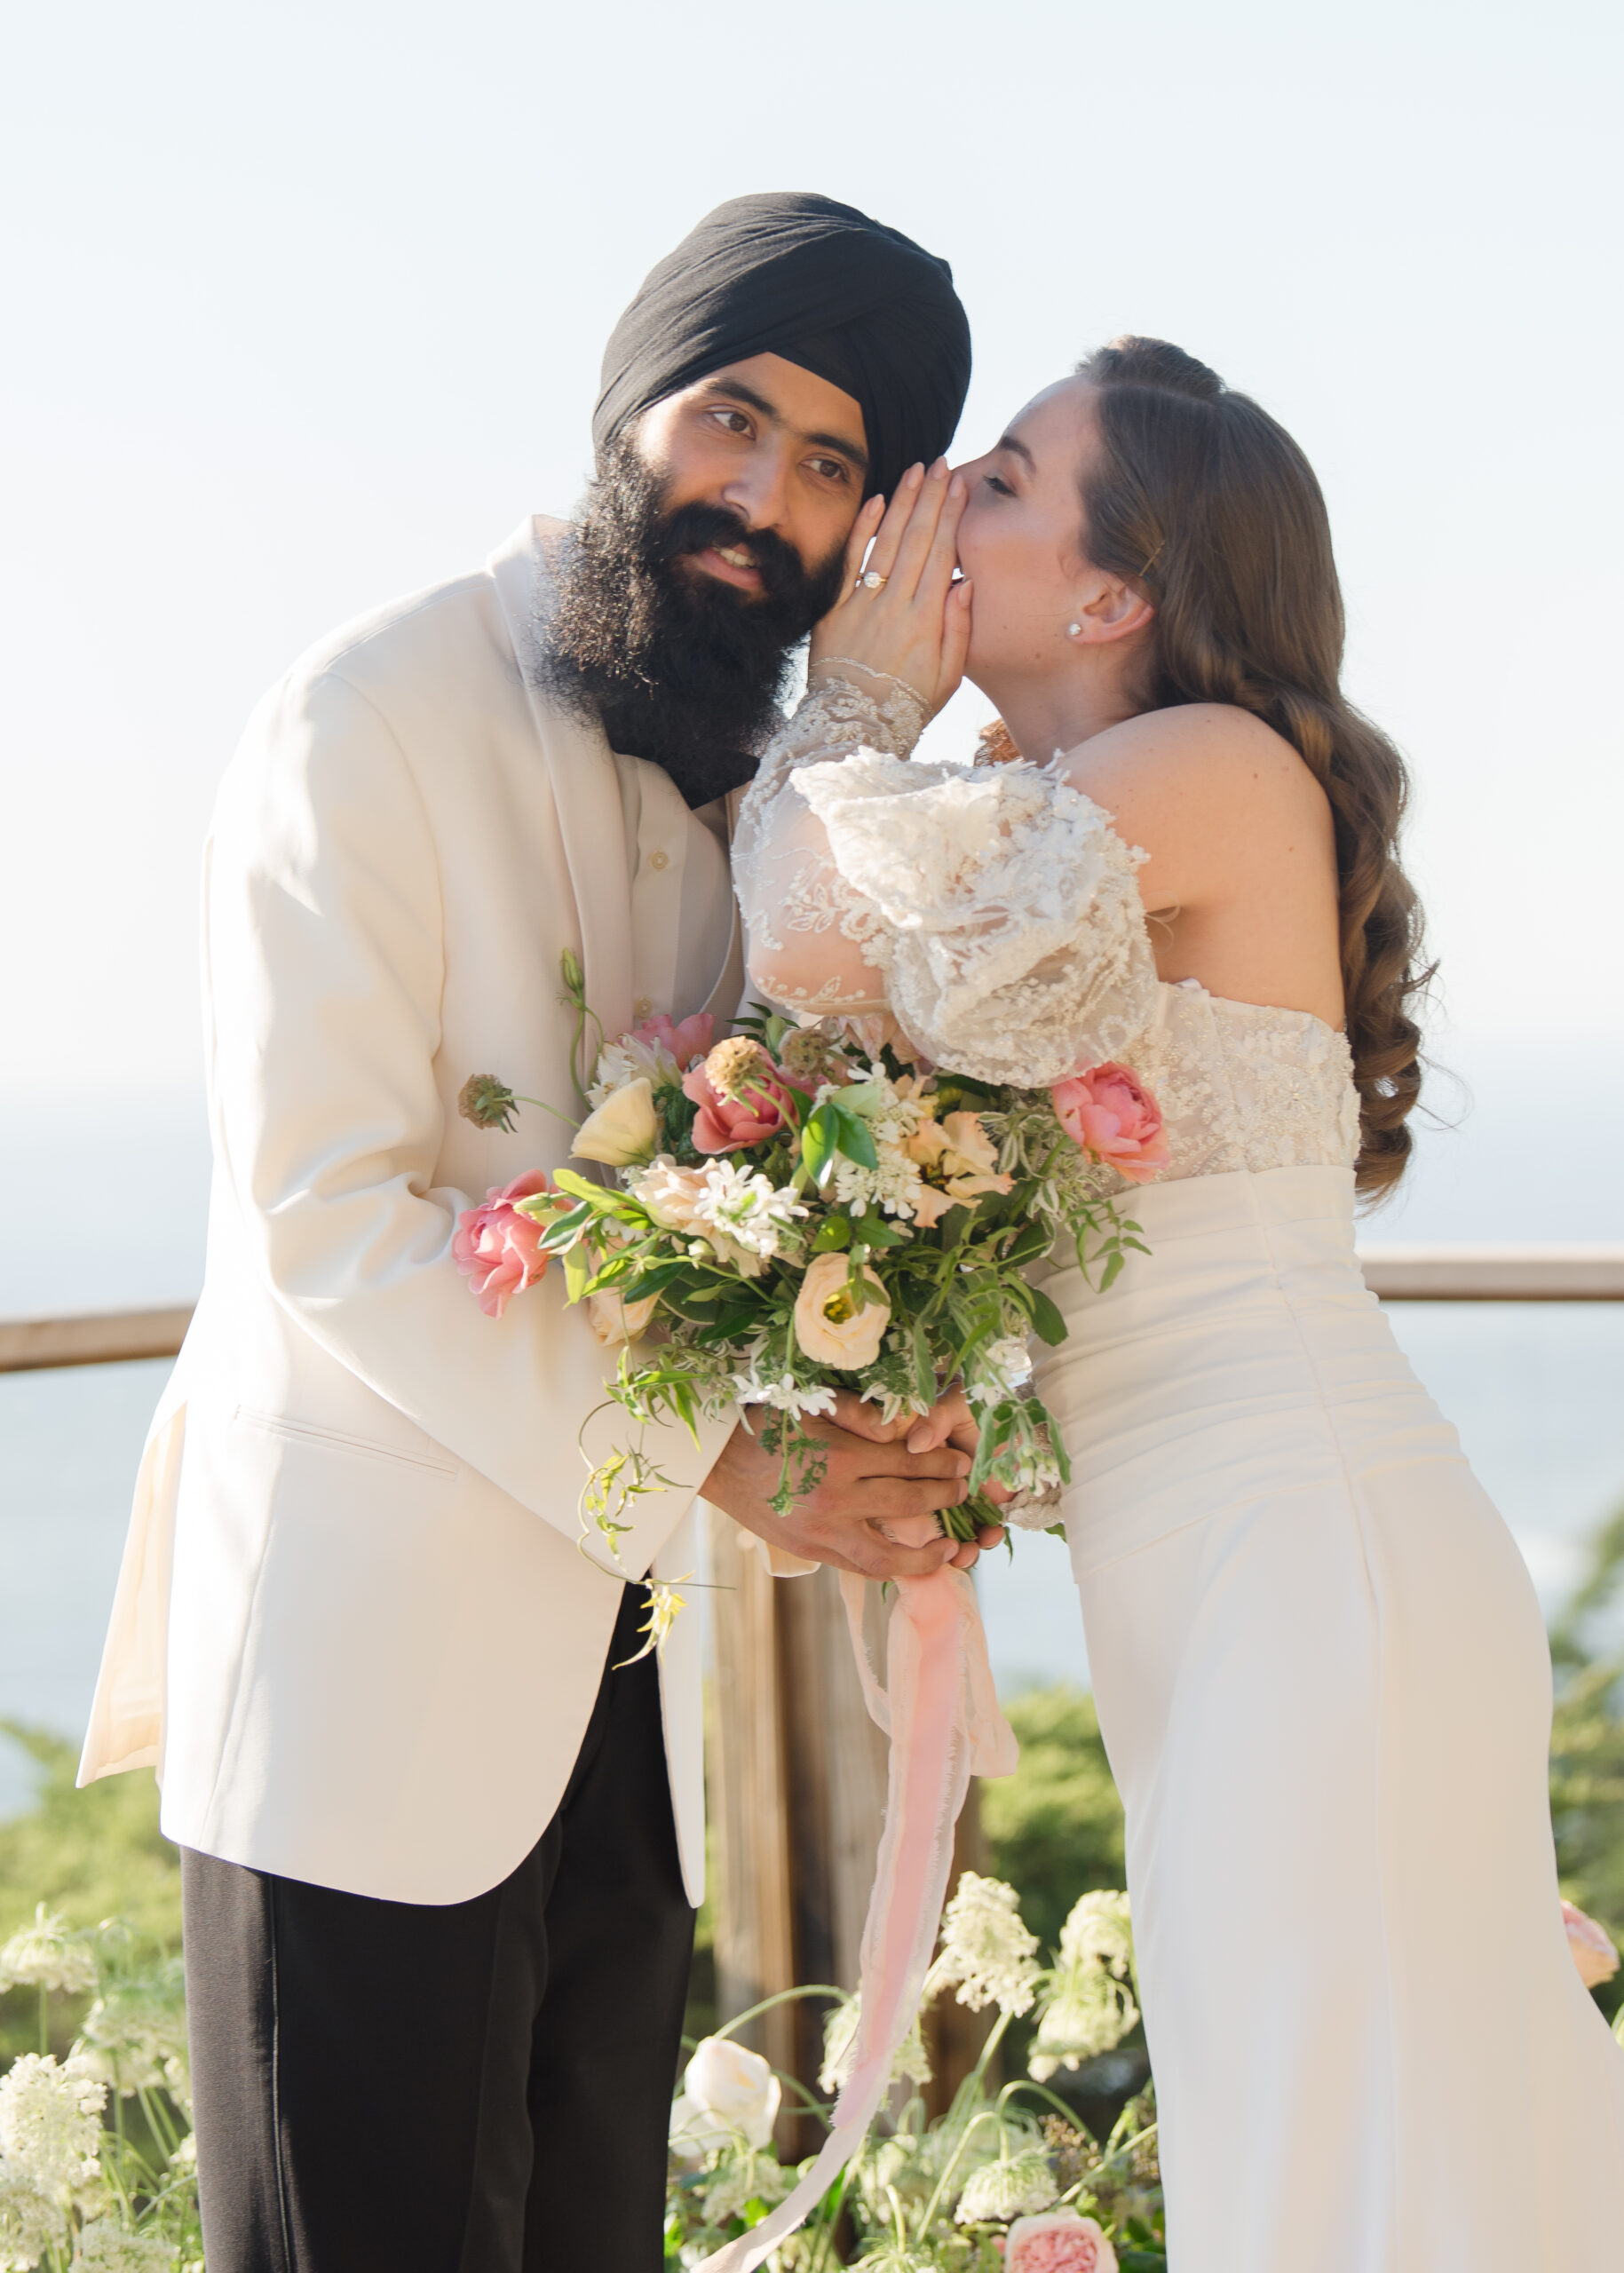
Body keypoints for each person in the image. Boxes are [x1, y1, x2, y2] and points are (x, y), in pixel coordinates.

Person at [76, 193, 998, 2273]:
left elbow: (764, 1166)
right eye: (734, 417)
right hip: (357, 1721)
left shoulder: (729, 789)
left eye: (836, 465)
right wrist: (744, 1462)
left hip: (601, 1721)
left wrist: (870, 1429)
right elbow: (329, 1219)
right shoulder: (363, 714)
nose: (761, 497)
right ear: (629, 401)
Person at [733, 337, 1624, 2270]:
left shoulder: (1210, 773)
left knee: (1346, 2162)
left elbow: (806, 923)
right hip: (1215, 1566)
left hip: (1306, 1554)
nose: (942, 485)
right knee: (1304, 2146)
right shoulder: (1048, 808)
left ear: (1116, 591)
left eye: (1007, 477)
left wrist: (858, 698)